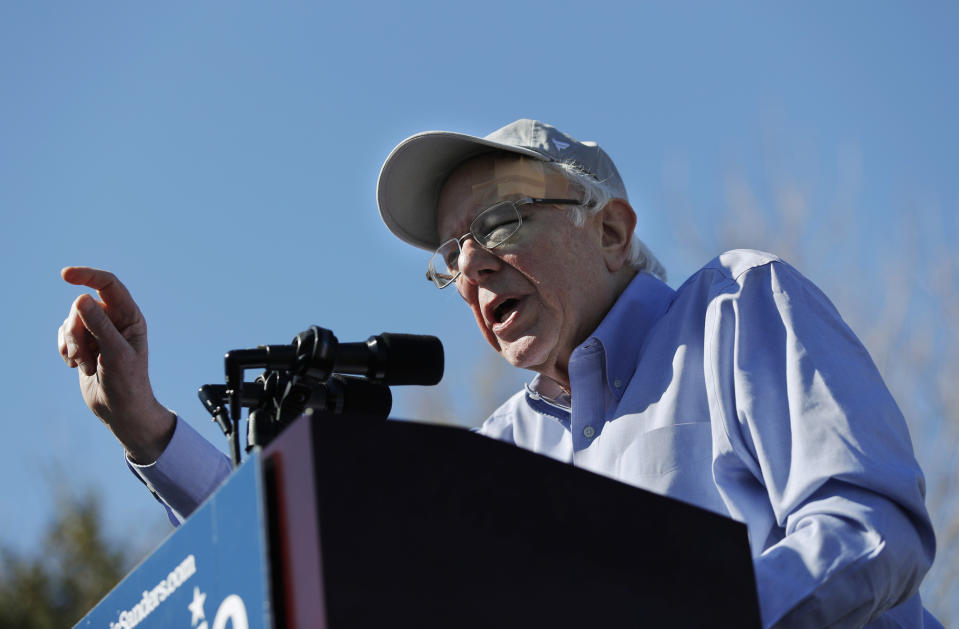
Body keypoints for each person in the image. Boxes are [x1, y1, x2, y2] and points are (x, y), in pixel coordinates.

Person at [59, 119, 941, 628]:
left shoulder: (731, 309)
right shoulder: (497, 456)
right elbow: (318, 568)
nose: (472, 266)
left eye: (505, 221)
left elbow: (870, 523)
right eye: (452, 253)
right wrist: (151, 432)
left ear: (609, 229)